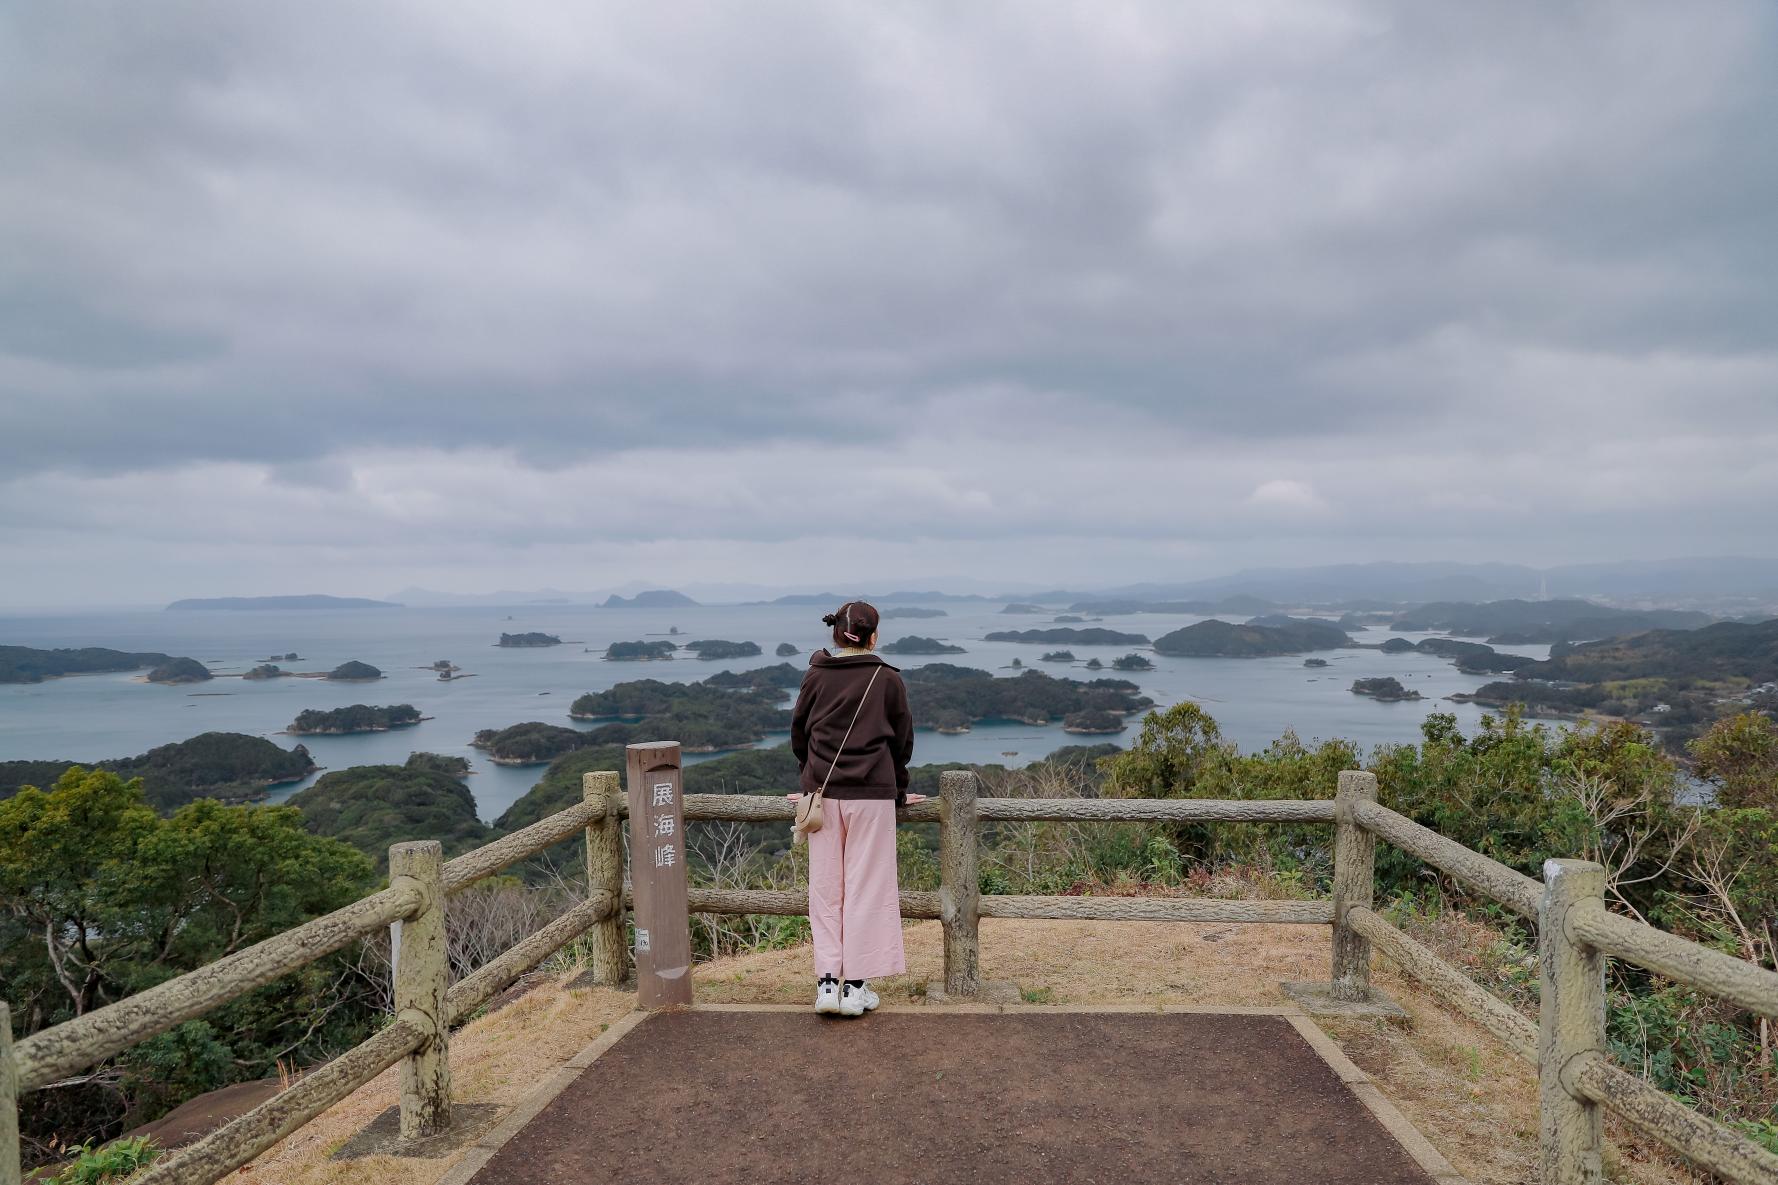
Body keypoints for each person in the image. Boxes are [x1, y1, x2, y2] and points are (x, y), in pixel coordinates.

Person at [789, 600, 920, 1017]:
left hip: (823, 796)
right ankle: (856, 987)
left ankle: (827, 982)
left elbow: (800, 733)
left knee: (826, 888)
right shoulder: (887, 679)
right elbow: (901, 743)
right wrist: (897, 790)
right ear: (874, 636)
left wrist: (810, 779)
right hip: (872, 796)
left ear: (835, 635)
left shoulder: (815, 676)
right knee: (867, 888)